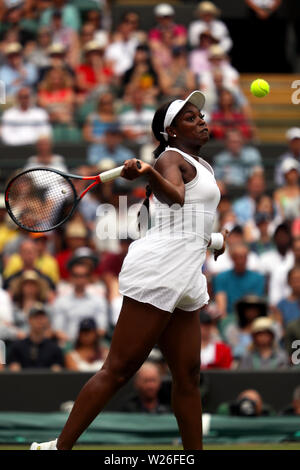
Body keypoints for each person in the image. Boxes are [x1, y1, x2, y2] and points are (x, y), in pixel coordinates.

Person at [30, 90, 227, 450]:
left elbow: (182, 221)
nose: (200, 120)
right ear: (170, 132)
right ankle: (58, 448)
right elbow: (175, 198)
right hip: (160, 271)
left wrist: (213, 240)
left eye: (200, 115)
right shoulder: (170, 158)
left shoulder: (203, 166)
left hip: (186, 276)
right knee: (119, 369)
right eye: (189, 118)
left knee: (187, 376)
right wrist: (151, 172)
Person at [52, 260, 108, 344]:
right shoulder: (61, 301)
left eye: (83, 276)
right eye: (76, 275)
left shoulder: (98, 301)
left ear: (88, 278)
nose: (79, 279)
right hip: (69, 345)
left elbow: (102, 329)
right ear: (71, 277)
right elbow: (57, 330)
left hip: (92, 345)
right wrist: (73, 344)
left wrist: (86, 343)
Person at [7, 304, 64, 371]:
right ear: (29, 320)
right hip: (23, 381)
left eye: (42, 317)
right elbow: (14, 372)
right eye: (36, 317)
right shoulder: (17, 347)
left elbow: (57, 374)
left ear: (47, 320)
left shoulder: (55, 349)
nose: (39, 320)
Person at [213, 243, 265, 316]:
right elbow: (221, 307)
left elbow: (256, 303)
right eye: (237, 257)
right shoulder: (221, 278)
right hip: (229, 317)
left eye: (243, 257)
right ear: (232, 258)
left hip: (251, 317)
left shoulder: (258, 278)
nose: (240, 261)